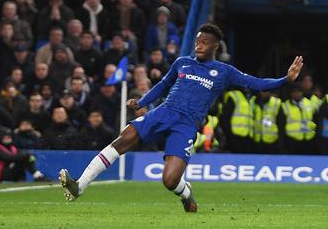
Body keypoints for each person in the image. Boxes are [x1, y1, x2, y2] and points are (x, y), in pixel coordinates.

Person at [59, 23, 303, 213]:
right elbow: (163, 86)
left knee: (169, 180)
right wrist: (141, 102)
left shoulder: (225, 72)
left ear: (215, 46)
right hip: (164, 112)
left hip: (187, 124)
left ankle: (186, 193)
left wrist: (285, 80)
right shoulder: (182, 63)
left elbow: (255, 83)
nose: (198, 45)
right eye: (197, 41)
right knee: (125, 138)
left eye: (205, 42)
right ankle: (79, 186)